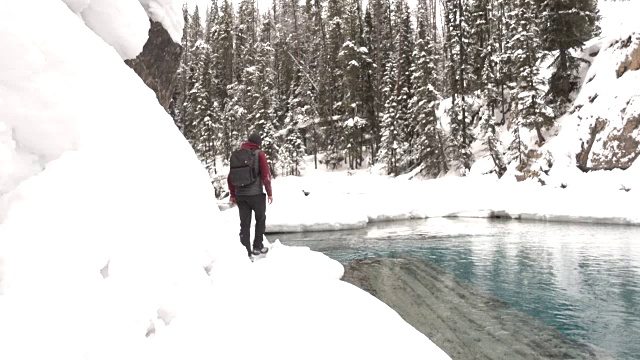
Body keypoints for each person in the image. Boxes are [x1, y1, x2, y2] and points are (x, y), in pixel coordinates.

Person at [227, 132, 273, 257]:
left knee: (245, 224)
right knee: (260, 220)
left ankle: (245, 252)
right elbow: (266, 176)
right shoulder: (260, 154)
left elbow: (230, 178)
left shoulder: (237, 155)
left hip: (240, 196)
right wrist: (269, 193)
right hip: (256, 194)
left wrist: (233, 195)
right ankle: (257, 247)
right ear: (258, 143)